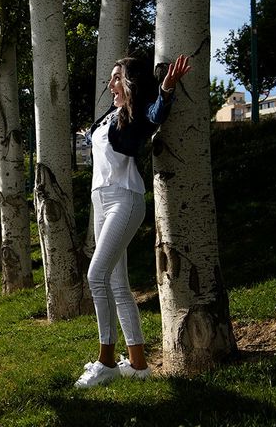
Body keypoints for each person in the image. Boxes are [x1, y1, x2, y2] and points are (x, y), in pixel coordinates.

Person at [75, 54, 191, 388]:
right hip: (101, 202)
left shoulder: (136, 114)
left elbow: (154, 116)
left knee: (96, 276)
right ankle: (138, 365)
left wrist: (166, 89)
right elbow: (99, 146)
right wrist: (89, 135)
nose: (111, 84)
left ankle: (106, 361)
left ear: (130, 83)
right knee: (117, 285)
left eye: (116, 78)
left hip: (124, 201)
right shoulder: (109, 116)